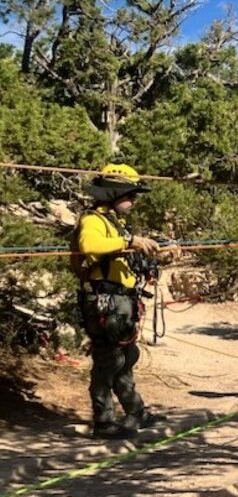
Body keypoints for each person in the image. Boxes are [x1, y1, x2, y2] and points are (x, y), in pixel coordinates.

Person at [74, 163, 166, 439]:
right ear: (113, 194)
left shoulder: (117, 224)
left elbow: (126, 256)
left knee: (126, 356)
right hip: (104, 300)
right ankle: (103, 421)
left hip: (121, 300)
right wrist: (131, 240)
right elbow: (89, 246)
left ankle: (135, 410)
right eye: (130, 195)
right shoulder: (93, 220)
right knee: (108, 360)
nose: (134, 200)